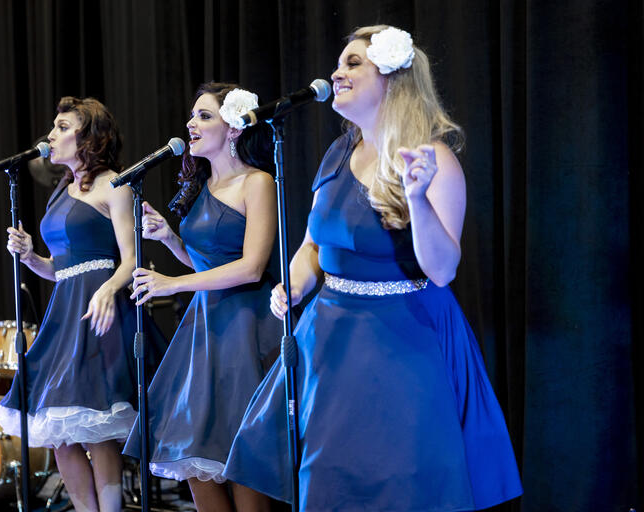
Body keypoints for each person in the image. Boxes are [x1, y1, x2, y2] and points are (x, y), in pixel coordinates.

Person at [223, 25, 523, 511]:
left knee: (403, 481)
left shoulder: (435, 159)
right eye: (339, 64)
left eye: (353, 63)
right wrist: (295, 285)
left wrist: (419, 200)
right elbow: (312, 246)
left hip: (405, 340)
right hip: (330, 340)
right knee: (327, 479)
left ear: (392, 79)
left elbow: (443, 270)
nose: (336, 73)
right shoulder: (337, 154)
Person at [122, 82, 280, 512]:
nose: (191, 124)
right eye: (192, 116)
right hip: (204, 329)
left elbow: (250, 267)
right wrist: (171, 240)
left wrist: (171, 284)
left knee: (241, 458)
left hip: (245, 327)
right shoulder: (201, 186)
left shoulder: (258, 182)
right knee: (195, 463)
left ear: (233, 128)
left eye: (204, 116)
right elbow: (205, 265)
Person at [0, 97, 138, 512]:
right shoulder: (61, 190)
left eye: (61, 127)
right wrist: (30, 256)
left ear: (88, 136)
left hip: (98, 313)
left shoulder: (116, 183)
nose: (51, 135)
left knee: (96, 428)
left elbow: (131, 260)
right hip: (65, 312)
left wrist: (109, 289)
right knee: (60, 434)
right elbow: (60, 269)